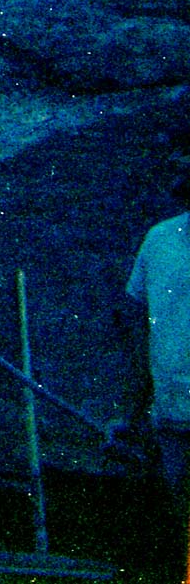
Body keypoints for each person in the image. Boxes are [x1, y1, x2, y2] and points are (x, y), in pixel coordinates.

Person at [122, 173, 190, 576]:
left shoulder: (161, 238)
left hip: (172, 409)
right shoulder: (161, 239)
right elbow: (139, 328)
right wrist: (134, 410)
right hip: (172, 409)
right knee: (178, 521)